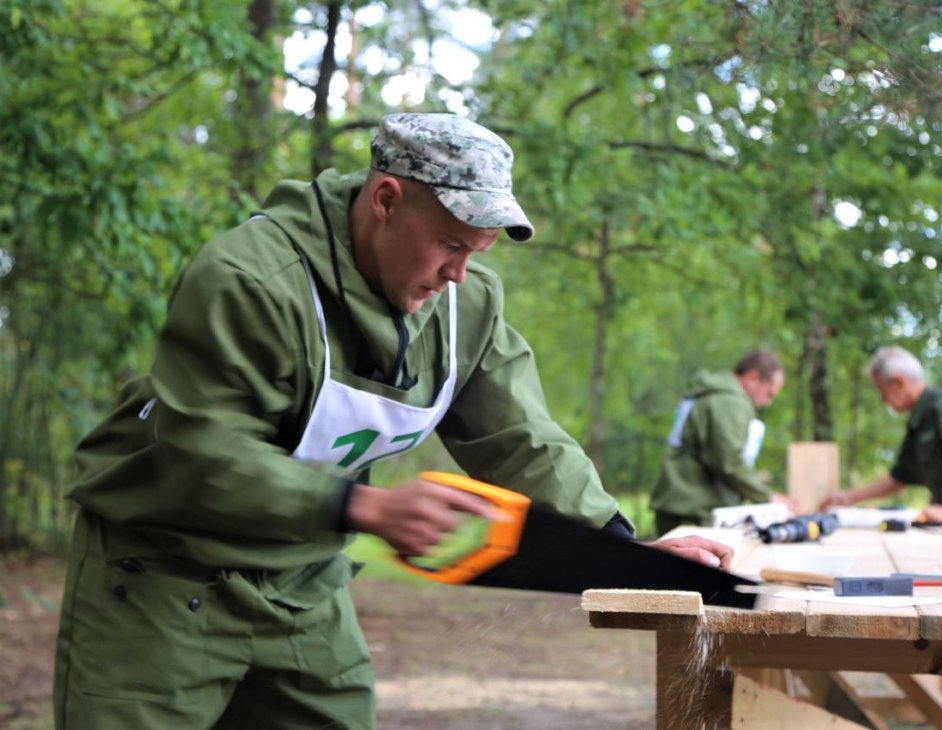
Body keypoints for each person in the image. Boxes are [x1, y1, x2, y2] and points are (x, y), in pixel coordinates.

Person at [52, 113, 734, 730]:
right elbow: (202, 452)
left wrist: (624, 548)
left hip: (303, 585)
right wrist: (366, 506)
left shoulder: (467, 310)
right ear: (385, 201)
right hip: (163, 582)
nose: (459, 274)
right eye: (449, 244)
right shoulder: (252, 280)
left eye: (479, 251)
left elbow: (522, 441)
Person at [819, 346, 942, 526]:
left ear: (898, 383)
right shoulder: (919, 422)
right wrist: (848, 497)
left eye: (882, 392)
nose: (883, 401)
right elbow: (898, 478)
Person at [649, 350, 794, 534]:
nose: (768, 402)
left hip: (678, 501)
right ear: (752, 378)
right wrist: (767, 496)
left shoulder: (709, 393)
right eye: (769, 394)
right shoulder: (729, 401)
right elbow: (728, 462)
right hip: (694, 509)